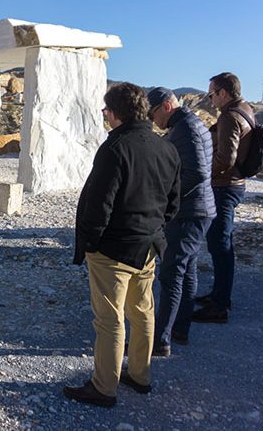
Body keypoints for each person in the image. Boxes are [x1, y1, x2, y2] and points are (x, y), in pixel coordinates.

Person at [64, 83, 180, 408]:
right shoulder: (166, 148)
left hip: (113, 250)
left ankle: (104, 387)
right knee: (143, 312)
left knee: (110, 319)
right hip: (148, 247)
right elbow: (173, 203)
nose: (104, 115)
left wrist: (90, 242)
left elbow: (99, 203)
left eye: (105, 110)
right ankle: (140, 376)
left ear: (115, 113)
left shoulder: (115, 148)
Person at [147, 87, 215, 356]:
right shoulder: (187, 125)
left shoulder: (185, 128)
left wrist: (167, 201)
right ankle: (179, 330)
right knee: (186, 271)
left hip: (189, 212)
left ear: (166, 106)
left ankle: (160, 341)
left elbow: (195, 174)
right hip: (197, 210)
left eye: (153, 114)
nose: (153, 120)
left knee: (171, 274)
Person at [192, 72, 255, 324]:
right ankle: (220, 296)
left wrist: (203, 171)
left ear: (223, 93)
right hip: (232, 186)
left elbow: (226, 159)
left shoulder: (229, 117)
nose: (210, 100)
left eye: (211, 94)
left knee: (221, 245)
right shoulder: (245, 109)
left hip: (223, 187)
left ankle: (219, 306)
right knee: (222, 245)